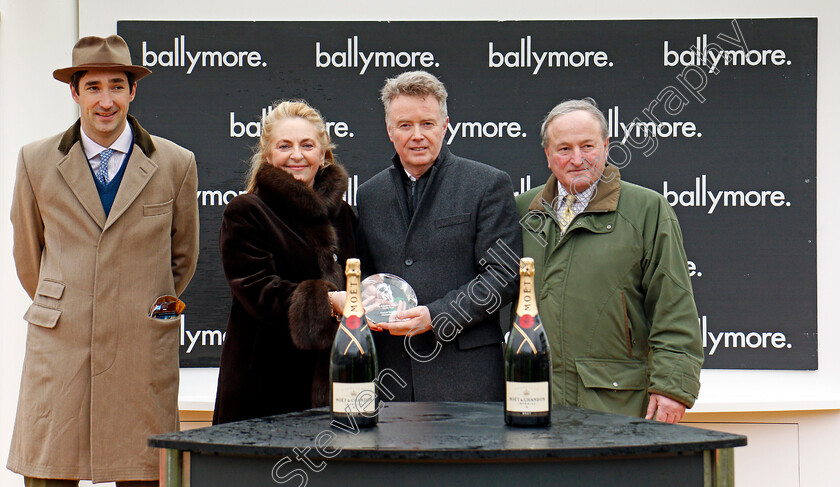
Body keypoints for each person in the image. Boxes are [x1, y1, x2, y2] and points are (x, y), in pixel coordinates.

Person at [8, 35, 199, 485]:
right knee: (50, 472)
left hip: (140, 344)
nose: (106, 100)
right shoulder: (36, 161)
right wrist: (70, 301)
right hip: (62, 345)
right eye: (93, 87)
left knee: (144, 473)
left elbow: (183, 258)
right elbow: (27, 255)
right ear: (74, 92)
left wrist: (136, 298)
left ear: (133, 91)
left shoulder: (176, 163)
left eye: (117, 85)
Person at [517, 98, 703, 423]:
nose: (577, 159)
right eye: (564, 149)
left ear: (605, 147)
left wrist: (673, 387)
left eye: (587, 146)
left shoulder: (648, 210)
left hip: (617, 406)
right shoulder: (521, 211)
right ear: (547, 155)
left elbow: (673, 308)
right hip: (533, 400)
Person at [356, 71, 522, 401]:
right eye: (405, 125)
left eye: (427, 124)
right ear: (389, 130)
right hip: (392, 377)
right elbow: (365, 276)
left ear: (445, 126)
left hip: (467, 378)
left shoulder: (487, 184)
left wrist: (437, 315)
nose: (417, 135)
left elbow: (504, 275)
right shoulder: (369, 195)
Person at [213, 100, 356, 424]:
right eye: (285, 145)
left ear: (323, 155)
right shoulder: (247, 211)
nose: (296, 155)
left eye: (307, 145)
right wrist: (329, 300)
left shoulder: (344, 214)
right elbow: (259, 290)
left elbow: (360, 278)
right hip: (264, 388)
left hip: (335, 384)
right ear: (268, 155)